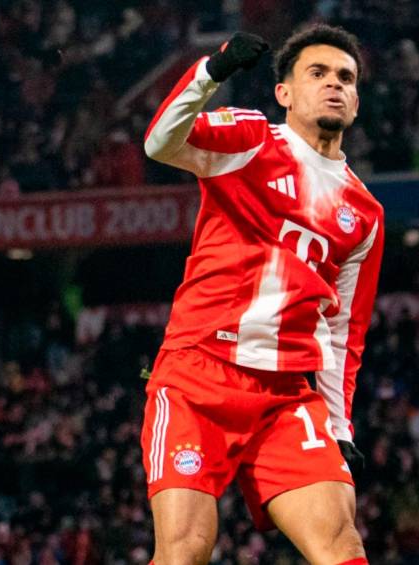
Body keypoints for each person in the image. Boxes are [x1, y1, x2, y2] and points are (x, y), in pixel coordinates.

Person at [142, 24, 384, 564]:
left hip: (284, 398)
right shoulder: (251, 141)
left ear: (357, 100)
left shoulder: (364, 214)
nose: (334, 86)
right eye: (317, 74)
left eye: (346, 78)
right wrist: (213, 71)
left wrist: (340, 429)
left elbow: (343, 331)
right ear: (284, 94)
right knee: (185, 551)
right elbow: (161, 143)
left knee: (342, 546)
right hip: (197, 377)